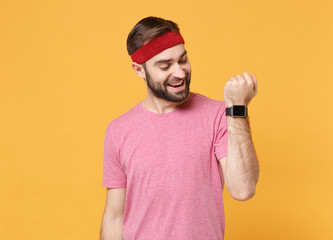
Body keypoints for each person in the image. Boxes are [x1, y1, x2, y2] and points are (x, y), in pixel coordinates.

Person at [100, 16, 259, 240]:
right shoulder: (118, 131)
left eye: (182, 60)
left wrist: (237, 108)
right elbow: (114, 217)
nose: (180, 72)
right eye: (165, 66)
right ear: (139, 69)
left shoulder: (217, 115)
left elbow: (243, 189)